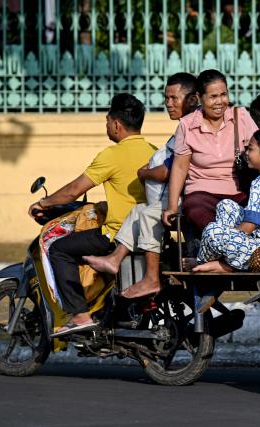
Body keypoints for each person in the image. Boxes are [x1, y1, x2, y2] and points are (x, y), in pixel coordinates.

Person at [29, 94, 157, 336]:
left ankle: (80, 315)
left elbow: (74, 191)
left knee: (59, 249)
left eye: (107, 121)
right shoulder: (154, 151)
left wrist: (44, 202)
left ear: (117, 124)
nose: (107, 126)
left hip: (117, 234)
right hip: (148, 233)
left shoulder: (112, 155)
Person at [83, 73, 198, 299]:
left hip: (187, 196)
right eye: (166, 98)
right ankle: (115, 259)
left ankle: (152, 279)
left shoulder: (191, 126)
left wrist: (144, 173)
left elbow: (169, 170)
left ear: (192, 99)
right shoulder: (183, 128)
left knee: (146, 214)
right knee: (138, 210)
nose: (168, 103)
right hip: (177, 195)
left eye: (174, 98)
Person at [162, 69, 259, 242]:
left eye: (223, 94)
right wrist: (171, 207)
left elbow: (259, 153)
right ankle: (228, 245)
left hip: (239, 192)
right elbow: (179, 167)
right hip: (202, 194)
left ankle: (223, 247)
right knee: (194, 209)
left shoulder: (241, 116)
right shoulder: (187, 125)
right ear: (199, 98)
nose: (220, 102)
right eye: (213, 96)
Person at [194, 127, 260, 273]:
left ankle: (213, 263)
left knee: (213, 232)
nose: (246, 154)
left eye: (250, 149)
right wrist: (230, 234)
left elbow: (248, 228)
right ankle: (222, 260)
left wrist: (226, 234)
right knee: (226, 206)